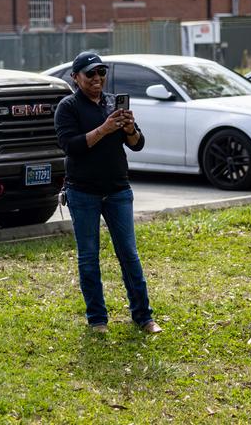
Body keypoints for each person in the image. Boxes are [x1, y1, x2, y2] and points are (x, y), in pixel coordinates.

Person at [53, 51, 162, 335]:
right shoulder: (68, 107)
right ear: (76, 78)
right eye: (90, 74)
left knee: (129, 254)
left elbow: (137, 144)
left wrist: (128, 129)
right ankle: (97, 319)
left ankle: (144, 316)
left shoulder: (114, 103)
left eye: (101, 72)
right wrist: (103, 129)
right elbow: (70, 146)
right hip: (83, 192)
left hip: (117, 190)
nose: (97, 78)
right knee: (89, 257)